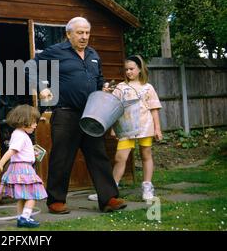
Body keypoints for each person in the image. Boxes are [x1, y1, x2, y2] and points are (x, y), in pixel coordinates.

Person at [27, 16, 127, 214]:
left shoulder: (93, 54)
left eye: (87, 33)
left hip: (92, 114)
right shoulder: (57, 51)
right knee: (62, 157)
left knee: (98, 155)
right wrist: (40, 88)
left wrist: (104, 87)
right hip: (66, 114)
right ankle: (56, 201)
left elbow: (99, 79)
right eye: (80, 33)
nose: (84, 37)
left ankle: (108, 199)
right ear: (69, 34)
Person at [88, 55, 163, 201]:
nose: (128, 72)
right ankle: (109, 191)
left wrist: (157, 129)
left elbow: (154, 109)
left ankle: (147, 188)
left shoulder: (148, 87)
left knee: (146, 155)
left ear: (140, 69)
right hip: (126, 129)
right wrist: (113, 128)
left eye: (132, 69)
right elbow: (114, 107)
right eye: (126, 69)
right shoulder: (121, 87)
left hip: (145, 126)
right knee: (120, 157)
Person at [0, 104, 47, 228]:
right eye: (33, 122)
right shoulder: (20, 136)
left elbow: (18, 150)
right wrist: (0, 163)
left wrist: (32, 152)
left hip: (19, 168)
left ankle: (21, 217)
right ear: (24, 121)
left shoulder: (19, 134)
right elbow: (11, 151)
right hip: (24, 169)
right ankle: (25, 217)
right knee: (32, 194)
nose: (35, 125)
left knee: (23, 196)